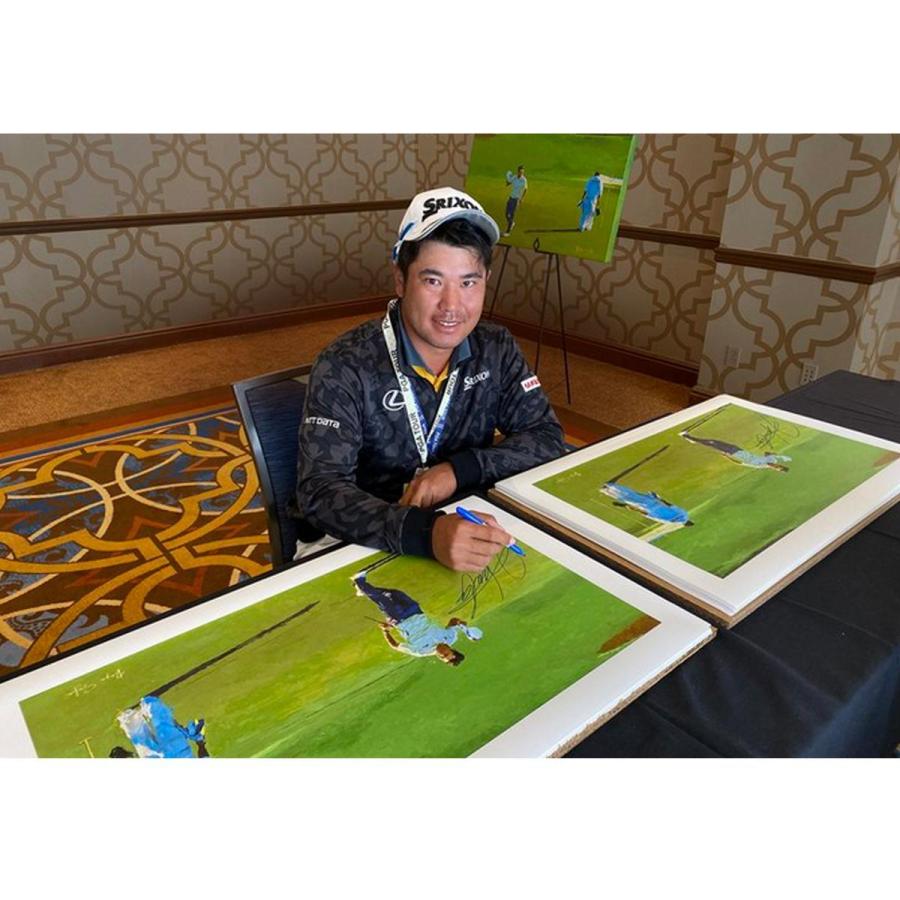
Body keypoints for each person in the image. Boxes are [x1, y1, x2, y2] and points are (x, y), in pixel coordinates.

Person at [295, 186, 564, 572]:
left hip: (464, 520)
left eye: (468, 282)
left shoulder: (495, 347)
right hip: (362, 541)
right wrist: (426, 532)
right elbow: (320, 491)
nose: (452, 306)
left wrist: (457, 471)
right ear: (400, 280)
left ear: (486, 280)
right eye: (433, 281)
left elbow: (546, 437)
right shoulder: (345, 365)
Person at [352, 571, 482, 665]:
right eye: (446, 654)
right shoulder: (451, 637)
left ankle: (359, 580)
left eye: (442, 658)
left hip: (399, 619)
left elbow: (395, 646)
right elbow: (453, 621)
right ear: (452, 649)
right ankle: (363, 589)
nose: (442, 655)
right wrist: (460, 623)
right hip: (416, 611)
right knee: (395, 593)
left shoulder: (421, 651)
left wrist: (385, 631)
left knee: (381, 599)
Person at [111, 695, 210, 758]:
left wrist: (200, 743)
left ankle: (146, 706)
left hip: (178, 749)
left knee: (158, 716)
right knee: (137, 731)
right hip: (169, 753)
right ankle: (130, 717)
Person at [679, 430, 791, 471]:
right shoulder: (773, 460)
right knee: (714, 441)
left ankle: (686, 436)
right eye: (779, 466)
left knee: (711, 443)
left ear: (776, 470)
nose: (776, 467)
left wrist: (727, 457)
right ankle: (691, 439)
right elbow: (766, 453)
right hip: (738, 448)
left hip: (733, 453)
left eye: (777, 469)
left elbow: (739, 463)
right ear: (779, 465)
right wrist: (773, 454)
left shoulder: (759, 466)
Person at [601, 481, 694, 527]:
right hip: (647, 507)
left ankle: (609, 488)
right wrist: (637, 510)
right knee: (628, 498)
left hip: (653, 502)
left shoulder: (683, 513)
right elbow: (651, 516)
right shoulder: (672, 522)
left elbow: (670, 505)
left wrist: (659, 498)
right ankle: (609, 488)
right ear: (684, 525)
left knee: (632, 495)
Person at [503, 165, 527, 235]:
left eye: (522, 172)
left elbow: (525, 189)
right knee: (506, 214)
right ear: (518, 171)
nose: (521, 173)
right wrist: (507, 177)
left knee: (512, 214)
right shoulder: (514, 177)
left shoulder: (524, 180)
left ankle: (508, 231)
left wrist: (522, 198)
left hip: (516, 199)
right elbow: (507, 184)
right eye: (520, 172)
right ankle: (512, 223)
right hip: (511, 197)